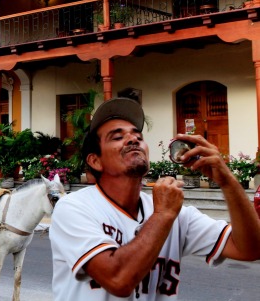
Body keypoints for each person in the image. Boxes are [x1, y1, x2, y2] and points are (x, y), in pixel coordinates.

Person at [49, 97, 260, 300]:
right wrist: (163, 214)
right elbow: (118, 279)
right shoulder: (73, 208)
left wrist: (228, 181)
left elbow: (250, 249)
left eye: (138, 136)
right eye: (117, 136)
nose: (133, 139)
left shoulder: (176, 215)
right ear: (95, 161)